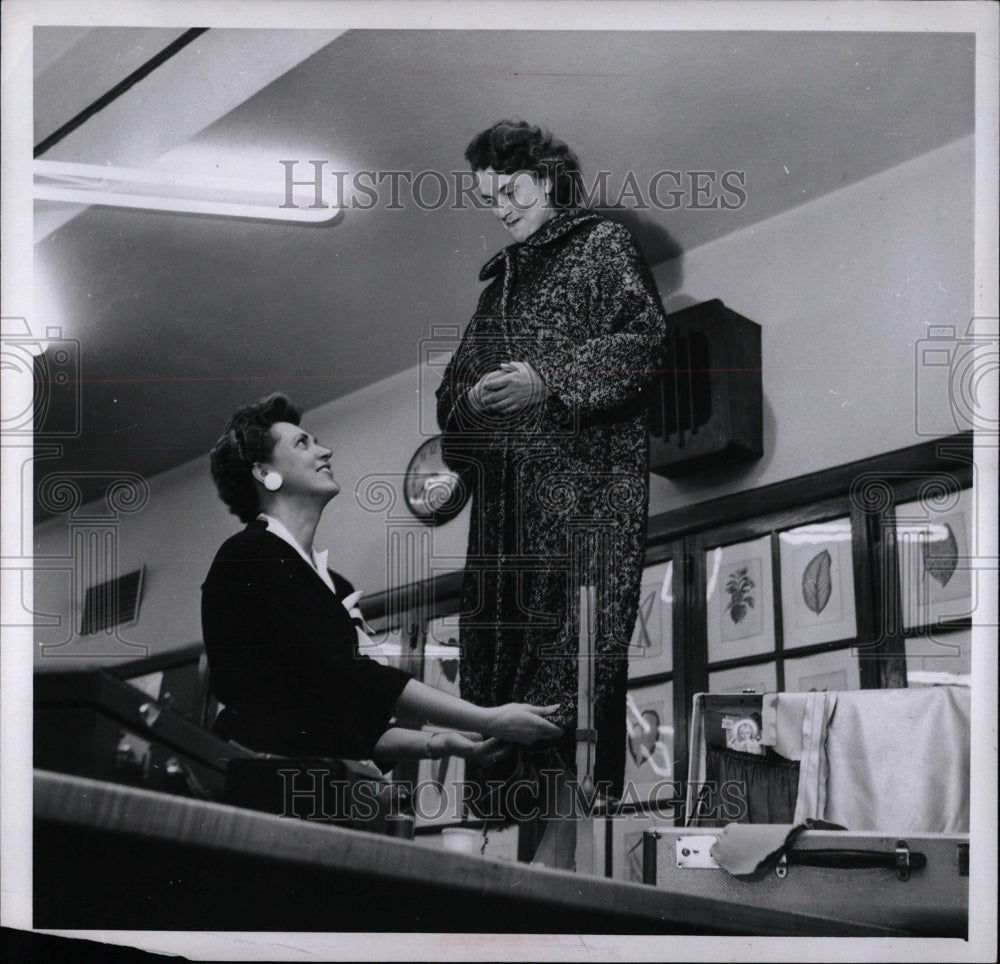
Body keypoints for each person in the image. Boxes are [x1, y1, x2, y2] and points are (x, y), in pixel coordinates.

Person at [436, 120, 669, 866]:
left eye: (510, 189)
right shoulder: (496, 288)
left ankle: (556, 866)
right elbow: (449, 403)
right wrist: (476, 401)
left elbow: (643, 342)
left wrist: (545, 379)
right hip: (505, 518)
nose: (499, 207)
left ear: (548, 175)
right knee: (500, 671)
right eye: (487, 197)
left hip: (581, 503)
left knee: (571, 666)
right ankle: (496, 850)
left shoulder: (603, 242)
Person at [201, 392, 563, 774]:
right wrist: (485, 719)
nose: (325, 452)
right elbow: (353, 678)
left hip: (312, 782)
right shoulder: (251, 555)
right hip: (253, 779)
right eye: (303, 443)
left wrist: (443, 744)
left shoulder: (335, 587)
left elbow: (351, 724)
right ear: (262, 472)